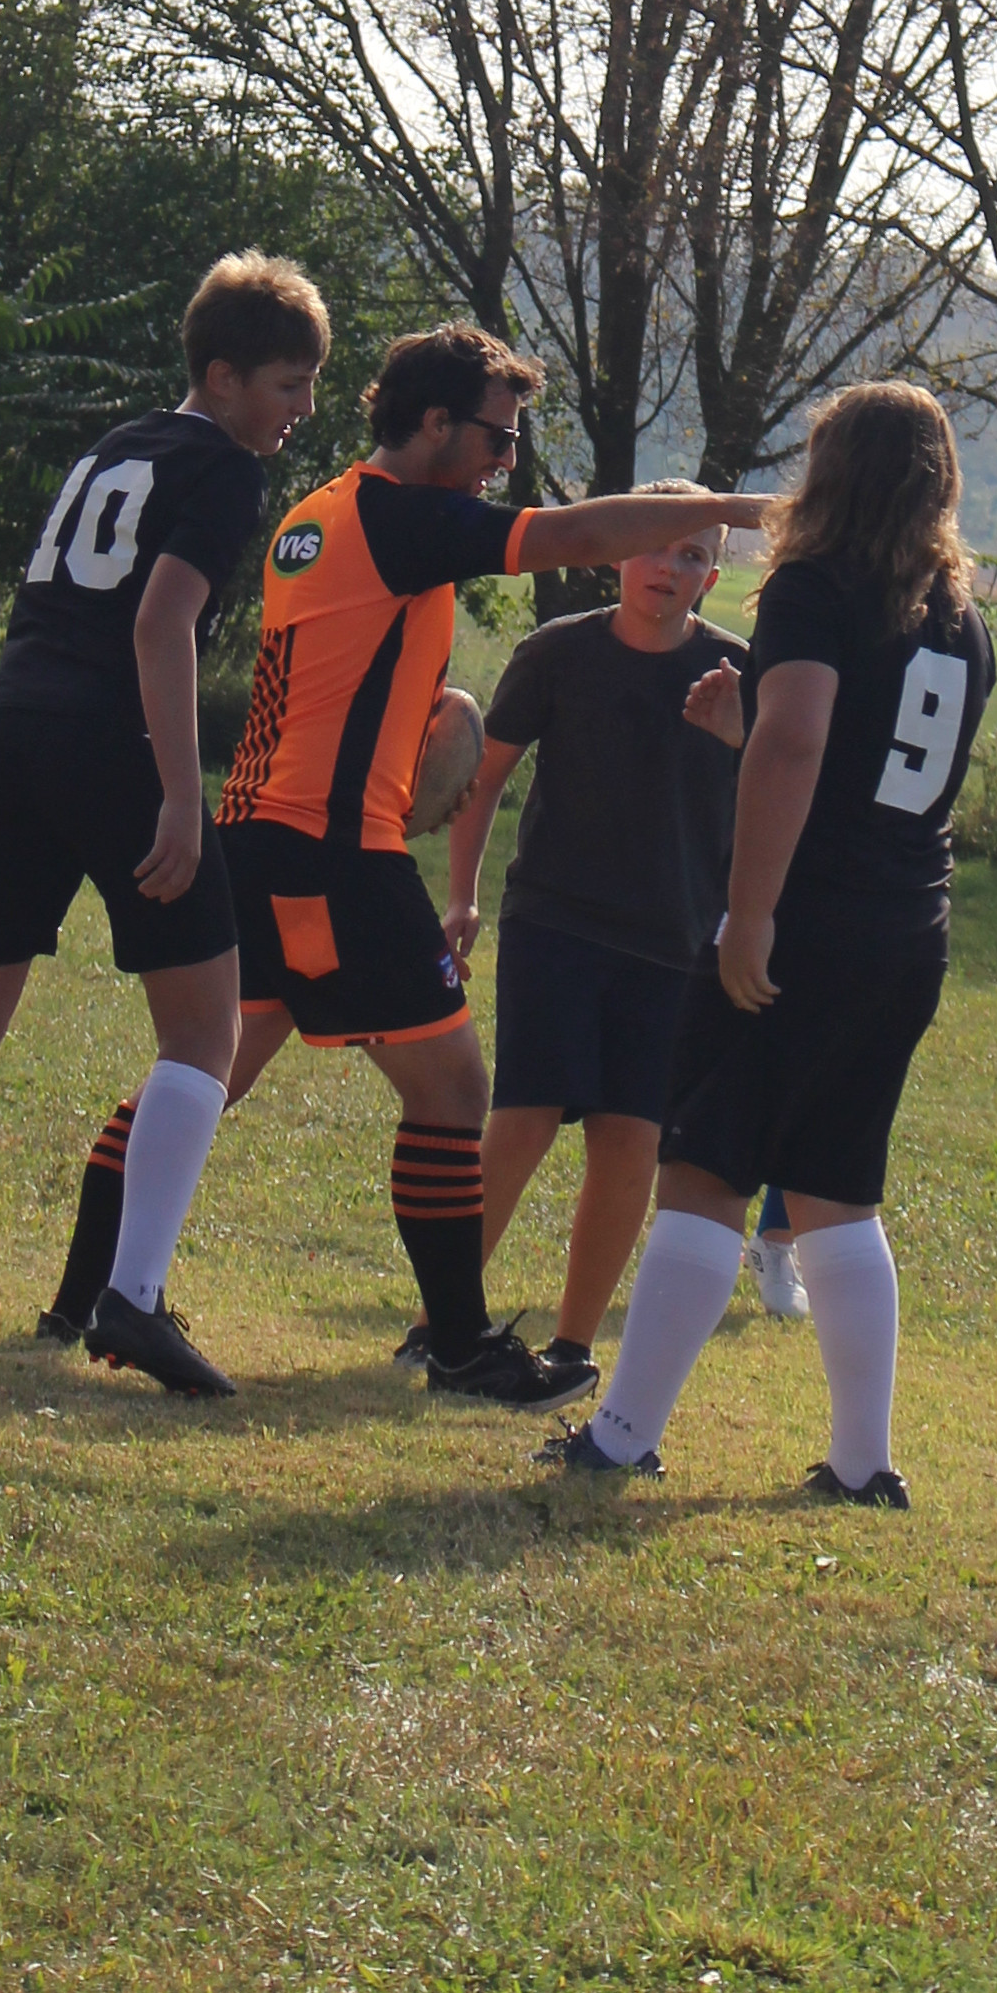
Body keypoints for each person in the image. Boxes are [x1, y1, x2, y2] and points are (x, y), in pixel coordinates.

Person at [0, 252, 332, 1394]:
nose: (302, 410)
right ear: (223, 377)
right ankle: (132, 1298)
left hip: (15, 727)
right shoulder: (224, 469)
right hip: (112, 742)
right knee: (205, 1035)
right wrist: (181, 794)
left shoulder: (115, 445)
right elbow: (159, 625)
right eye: (289, 384)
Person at [216, 323, 761, 1405]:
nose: (504, 462)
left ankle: (98, 1285)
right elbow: (563, 544)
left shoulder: (326, 513)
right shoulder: (414, 530)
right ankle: (455, 1341)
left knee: (213, 1063)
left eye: (697, 553)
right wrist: (738, 510)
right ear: (434, 424)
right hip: (362, 859)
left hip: (288, 835)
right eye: (498, 440)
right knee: (466, 1094)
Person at [540, 379, 993, 1506]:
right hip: (908, 928)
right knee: (837, 1189)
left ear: (830, 470)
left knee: (703, 1168)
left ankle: (621, 1436)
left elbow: (796, 745)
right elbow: (868, 760)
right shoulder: (957, 614)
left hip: (812, 918)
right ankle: (863, 1462)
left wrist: (750, 914)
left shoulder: (815, 583)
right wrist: (747, 732)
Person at [433, 524, 744, 1387]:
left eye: (692, 557)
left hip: (675, 942)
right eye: (654, 547)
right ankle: (442, 1320)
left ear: (713, 576)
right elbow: (482, 778)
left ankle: (573, 1346)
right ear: (616, 555)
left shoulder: (737, 675)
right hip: (555, 922)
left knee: (630, 1141)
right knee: (523, 1120)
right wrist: (462, 897)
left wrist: (742, 737)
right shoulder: (558, 652)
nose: (668, 568)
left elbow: (785, 792)